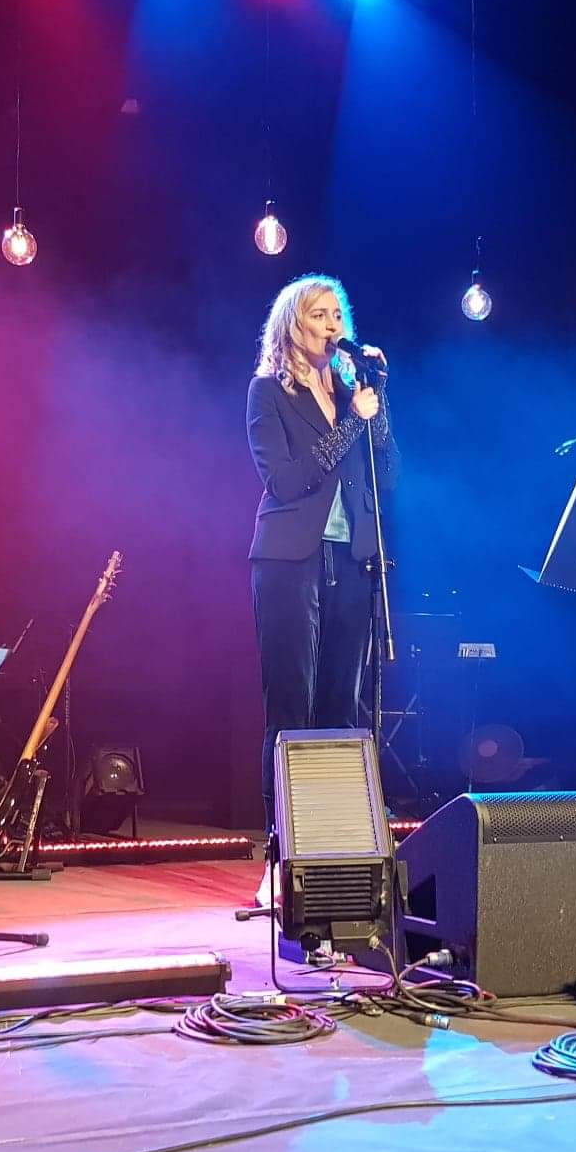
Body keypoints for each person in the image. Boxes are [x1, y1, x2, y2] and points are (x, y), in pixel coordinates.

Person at [246, 275, 397, 824]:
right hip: (289, 561)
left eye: (338, 315)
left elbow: (389, 475)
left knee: (343, 703)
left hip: (352, 559)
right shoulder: (269, 392)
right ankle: (282, 838)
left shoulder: (352, 393)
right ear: (294, 326)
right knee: (291, 704)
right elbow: (286, 481)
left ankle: (337, 831)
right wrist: (352, 423)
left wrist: (378, 403)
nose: (333, 326)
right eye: (320, 315)